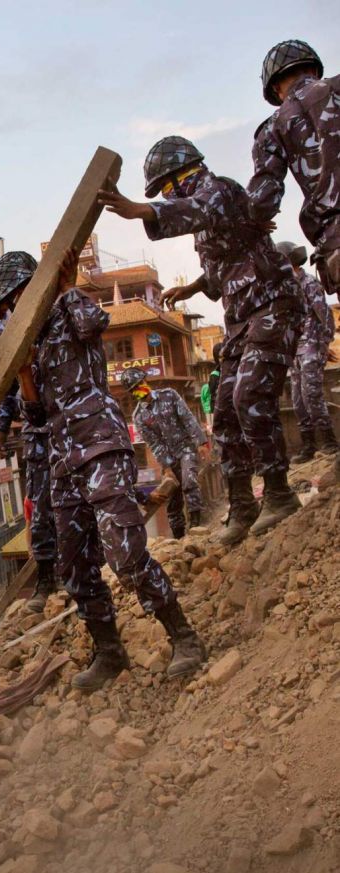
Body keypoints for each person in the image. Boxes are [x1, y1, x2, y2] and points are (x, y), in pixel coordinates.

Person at [0, 249, 206, 691]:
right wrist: (24, 372)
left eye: (10, 304)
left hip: (100, 443)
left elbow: (95, 324)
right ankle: (109, 652)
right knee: (76, 565)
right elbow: (36, 415)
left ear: (29, 290)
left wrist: (67, 287)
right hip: (63, 459)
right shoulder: (28, 343)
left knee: (124, 552)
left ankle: (184, 637)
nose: (8, 315)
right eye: (2, 312)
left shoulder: (68, 312)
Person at [99, 136, 304, 545]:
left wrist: (143, 210)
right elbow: (221, 265)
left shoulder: (220, 191)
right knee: (224, 412)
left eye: (166, 188)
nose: (167, 195)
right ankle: (243, 505)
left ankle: (279, 493)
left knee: (249, 395)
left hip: (273, 304)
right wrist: (191, 288)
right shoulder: (211, 214)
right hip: (241, 319)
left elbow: (195, 210)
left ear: (183, 175)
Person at [248, 41, 340, 296]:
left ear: (276, 88)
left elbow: (262, 202)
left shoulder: (271, 130)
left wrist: (256, 219)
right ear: (313, 70)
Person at [121, 367, 208, 539]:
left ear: (145, 381)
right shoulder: (139, 416)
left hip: (185, 448)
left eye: (140, 384)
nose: (139, 389)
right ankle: (178, 536)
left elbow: (187, 418)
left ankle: (196, 525)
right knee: (173, 496)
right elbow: (155, 444)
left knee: (189, 481)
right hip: (168, 457)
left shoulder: (169, 395)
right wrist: (167, 467)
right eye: (134, 389)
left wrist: (201, 442)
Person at [0, 384, 58, 613]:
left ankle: (92, 571)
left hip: (75, 424)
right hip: (37, 436)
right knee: (41, 512)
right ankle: (46, 581)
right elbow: (9, 386)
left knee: (83, 504)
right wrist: (2, 424)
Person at [275, 240, 338, 462]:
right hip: (295, 351)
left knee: (311, 394)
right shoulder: (285, 288)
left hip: (312, 345)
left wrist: (324, 344)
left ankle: (329, 441)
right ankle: (309, 445)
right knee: (298, 399)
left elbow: (325, 314)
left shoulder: (309, 283)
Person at [200, 342, 222, 430]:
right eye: (220, 357)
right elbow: (211, 396)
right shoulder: (215, 375)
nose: (223, 359)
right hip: (219, 412)